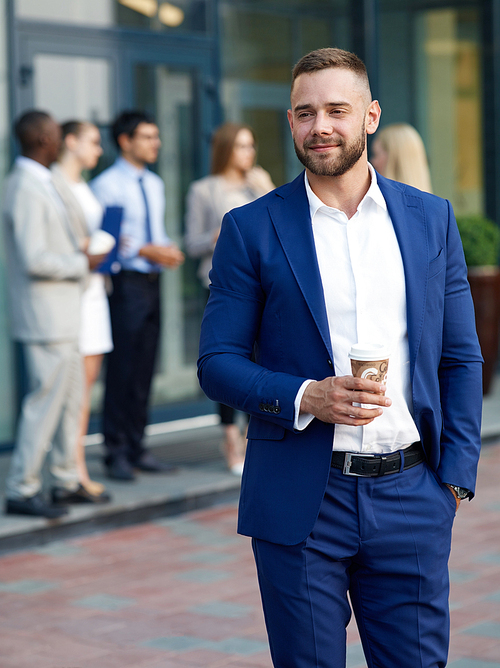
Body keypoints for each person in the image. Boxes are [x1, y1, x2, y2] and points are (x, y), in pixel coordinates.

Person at [197, 48, 482, 668]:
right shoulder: (252, 227)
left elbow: (460, 357)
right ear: (292, 124)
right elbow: (216, 361)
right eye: (304, 113)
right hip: (302, 499)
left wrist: (454, 479)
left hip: (412, 494)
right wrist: (308, 396)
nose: (319, 125)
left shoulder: (429, 219)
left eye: (335, 110)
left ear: (370, 117)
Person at [3, 111, 107, 518]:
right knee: (44, 403)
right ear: (44, 139)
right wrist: (83, 263)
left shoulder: (42, 181)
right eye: (52, 132)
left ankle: (64, 480)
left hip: (64, 312)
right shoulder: (25, 186)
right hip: (45, 315)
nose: (57, 138)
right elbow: (33, 258)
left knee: (68, 400)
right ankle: (21, 487)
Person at [90, 111, 185, 481]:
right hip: (125, 284)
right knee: (122, 369)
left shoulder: (155, 183)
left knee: (145, 367)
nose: (155, 144)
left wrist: (165, 249)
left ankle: (137, 446)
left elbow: (154, 232)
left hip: (152, 284)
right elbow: (105, 246)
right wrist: (146, 251)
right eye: (147, 137)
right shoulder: (107, 186)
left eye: (156, 137)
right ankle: (115, 453)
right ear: (125, 141)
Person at [185, 122, 274, 474]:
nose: (248, 153)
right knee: (228, 359)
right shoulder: (204, 190)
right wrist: (216, 235)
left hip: (266, 285)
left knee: (263, 359)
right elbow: (191, 242)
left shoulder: (259, 182)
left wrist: (267, 189)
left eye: (251, 145)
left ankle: (256, 432)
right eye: (240, 146)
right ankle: (229, 437)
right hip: (224, 285)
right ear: (225, 149)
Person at [51, 120, 112, 503]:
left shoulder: (84, 185)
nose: (98, 149)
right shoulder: (53, 184)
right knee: (73, 391)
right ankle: (71, 472)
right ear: (69, 142)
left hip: (94, 292)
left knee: (86, 389)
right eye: (92, 141)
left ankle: (73, 468)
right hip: (72, 294)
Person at [371, 122, 432, 192]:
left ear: (394, 159)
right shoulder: (433, 202)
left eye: (375, 155)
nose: (373, 162)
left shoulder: (378, 200)